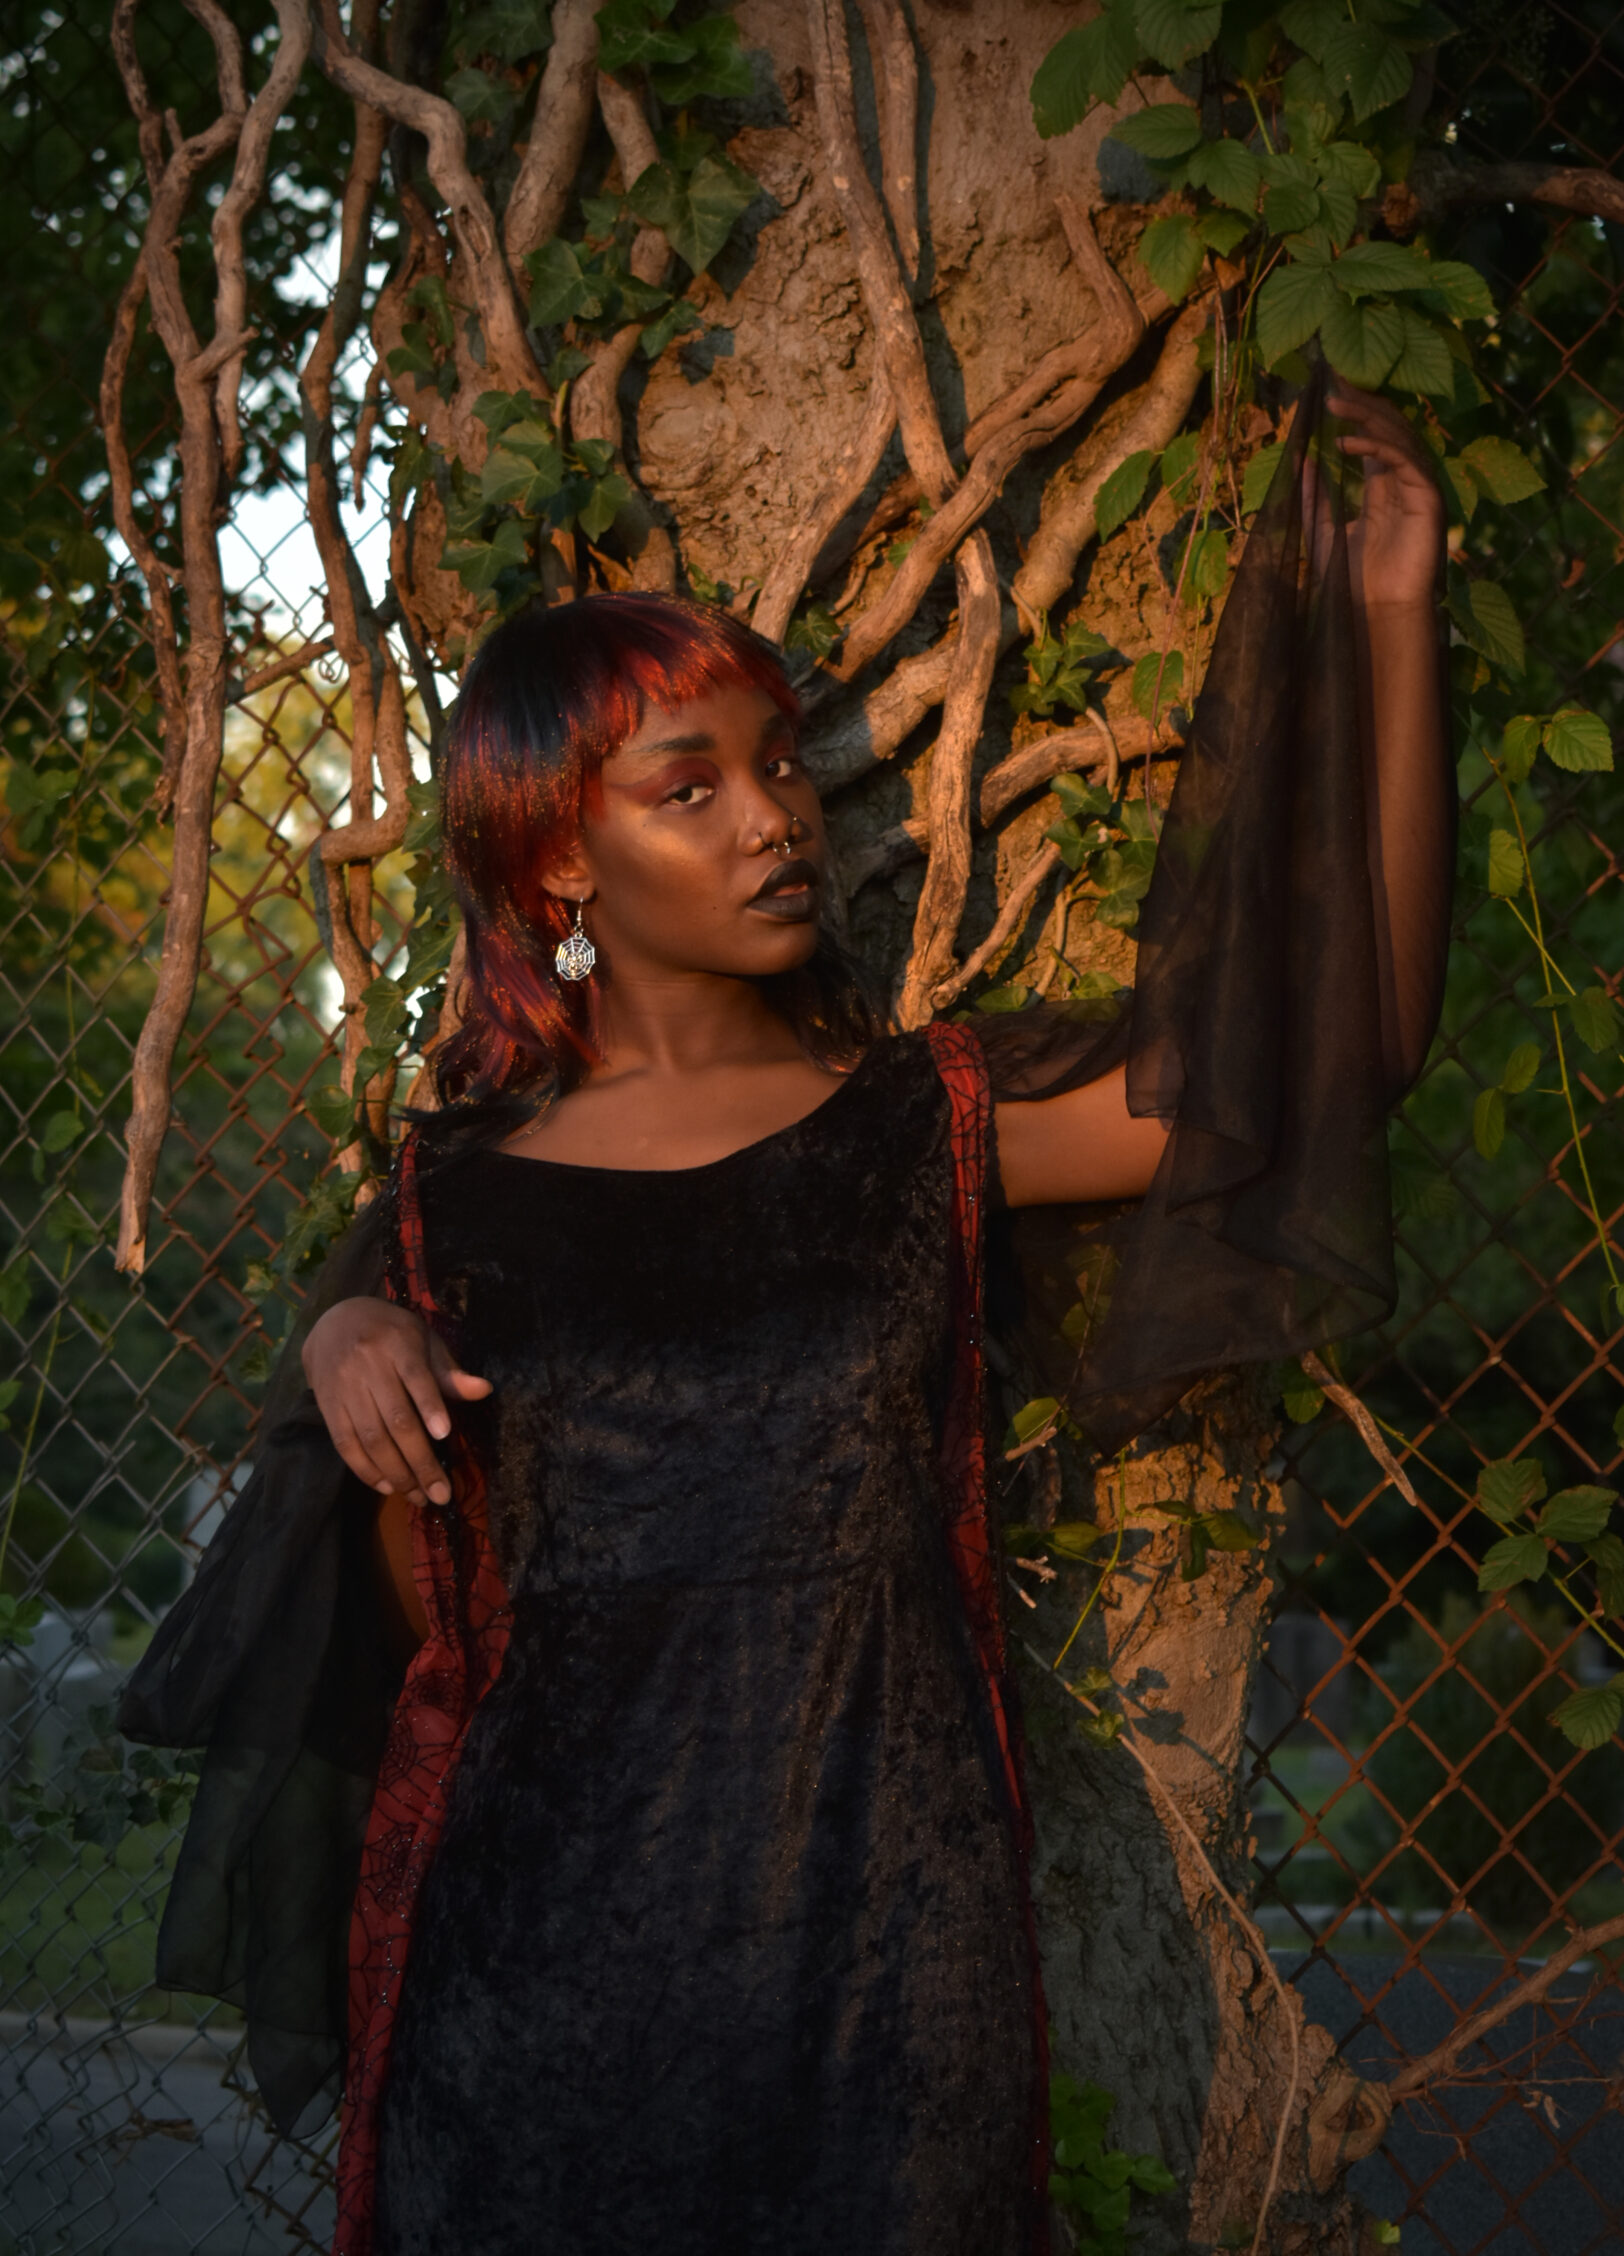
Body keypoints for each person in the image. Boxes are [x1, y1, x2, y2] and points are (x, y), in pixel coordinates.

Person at [120, 369, 1453, 2256]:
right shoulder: (444, 1203)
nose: (772, 822)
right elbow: (401, 1602)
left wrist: (1390, 613)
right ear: (558, 858)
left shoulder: (923, 1127)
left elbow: (1337, 1048)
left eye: (781, 770)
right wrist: (345, 1350)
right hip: (532, 2004)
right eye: (691, 788)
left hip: (883, 1986)